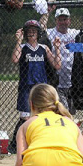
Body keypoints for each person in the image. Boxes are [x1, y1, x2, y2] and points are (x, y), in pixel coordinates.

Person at [8, 20, 61, 152]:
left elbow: (57, 64)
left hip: (41, 88)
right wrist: (18, 41)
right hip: (26, 86)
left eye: (34, 31)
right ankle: (16, 145)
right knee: (25, 117)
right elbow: (14, 59)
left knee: (43, 115)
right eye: (29, 31)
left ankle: (41, 142)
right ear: (25, 34)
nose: (31, 33)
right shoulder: (23, 47)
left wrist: (57, 48)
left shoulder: (43, 48)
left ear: (38, 33)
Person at [44, 4, 83, 113]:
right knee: (62, 111)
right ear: (56, 21)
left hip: (73, 80)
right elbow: (40, 28)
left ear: (69, 21)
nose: (63, 22)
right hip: (56, 79)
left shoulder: (74, 33)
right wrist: (47, 12)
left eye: (65, 19)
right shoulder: (50, 32)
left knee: (71, 110)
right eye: (60, 19)